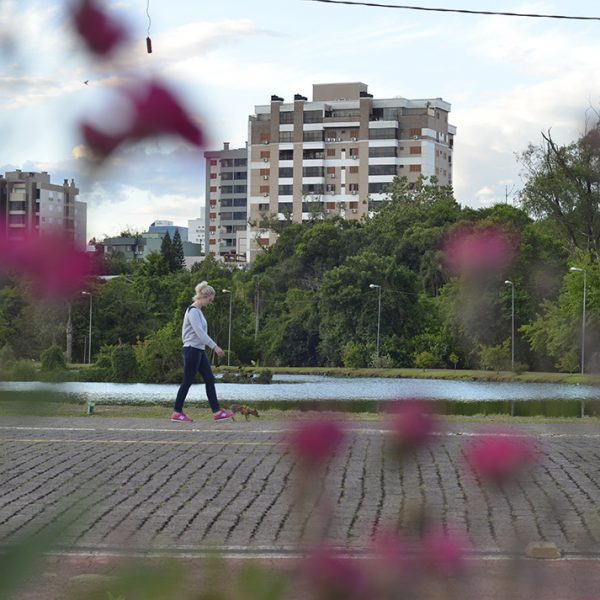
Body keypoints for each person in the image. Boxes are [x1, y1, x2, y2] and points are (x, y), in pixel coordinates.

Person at [171, 281, 234, 423]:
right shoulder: (193, 311)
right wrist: (215, 346)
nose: (210, 303)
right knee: (187, 381)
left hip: (199, 350)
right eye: (210, 300)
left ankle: (217, 412)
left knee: (209, 379)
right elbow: (199, 333)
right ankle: (177, 411)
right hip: (192, 350)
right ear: (203, 297)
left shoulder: (198, 312)